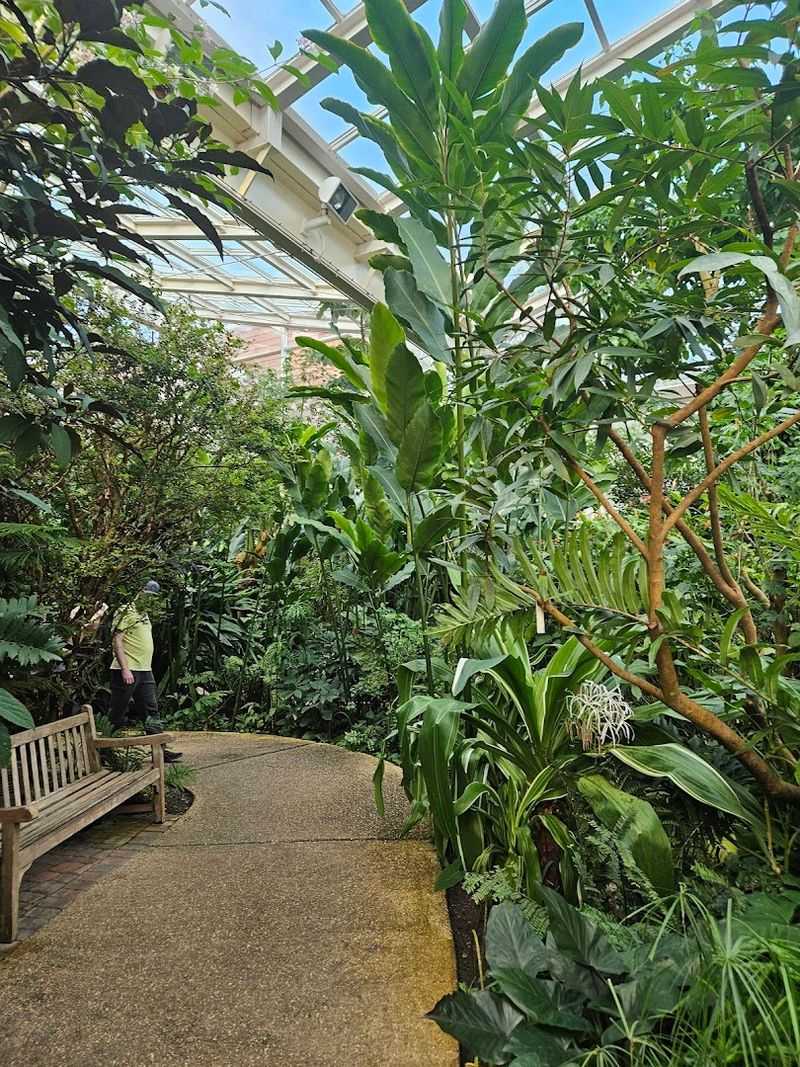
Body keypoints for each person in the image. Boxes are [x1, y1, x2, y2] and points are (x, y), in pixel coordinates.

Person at [110, 579, 182, 762]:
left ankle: (160, 751)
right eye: (147, 595)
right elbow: (117, 641)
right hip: (126, 670)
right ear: (140, 592)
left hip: (145, 669)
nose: (149, 600)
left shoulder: (144, 614)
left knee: (151, 710)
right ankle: (106, 750)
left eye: (153, 598)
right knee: (118, 711)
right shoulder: (126, 610)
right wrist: (125, 669)